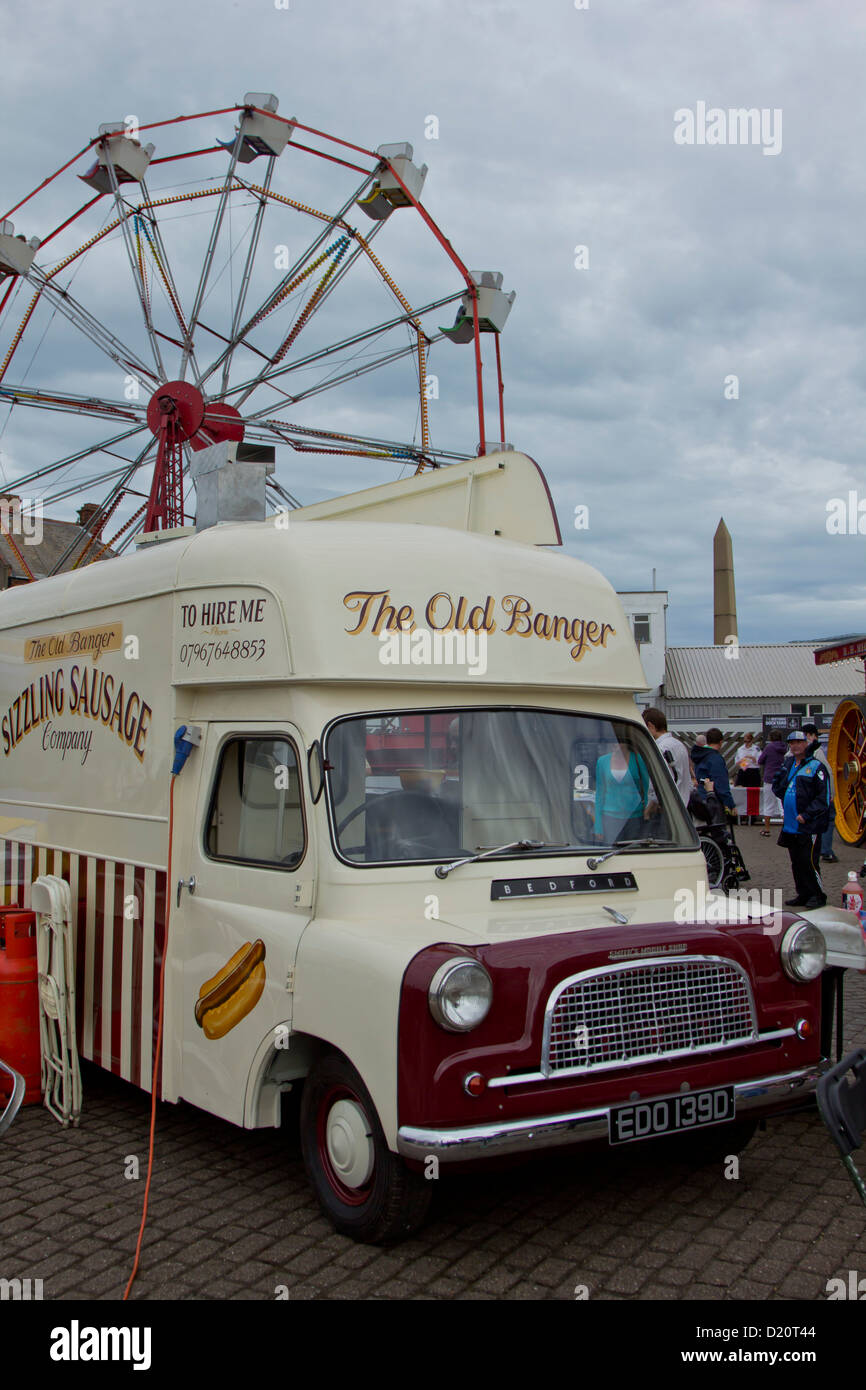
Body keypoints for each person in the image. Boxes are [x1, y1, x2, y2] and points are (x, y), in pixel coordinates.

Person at [772, 730, 832, 908]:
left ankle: (818, 895)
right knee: (796, 863)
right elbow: (779, 785)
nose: (795, 745)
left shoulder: (816, 766)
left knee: (810, 862)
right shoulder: (788, 763)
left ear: (806, 744)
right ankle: (803, 894)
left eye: (799, 742)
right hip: (791, 825)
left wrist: (806, 815)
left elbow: (823, 797)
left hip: (808, 825)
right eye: (792, 743)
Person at [594, 740, 650, 843]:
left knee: (633, 853)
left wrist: (647, 808)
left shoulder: (638, 759)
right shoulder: (602, 761)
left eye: (619, 741)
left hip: (635, 818)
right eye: (613, 740)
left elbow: (647, 787)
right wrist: (598, 825)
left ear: (626, 742)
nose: (615, 743)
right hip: (610, 818)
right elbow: (599, 794)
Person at [801, 722, 838, 863]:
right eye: (815, 735)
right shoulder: (817, 751)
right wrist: (831, 794)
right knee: (828, 820)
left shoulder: (793, 752)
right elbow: (827, 772)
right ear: (811, 735)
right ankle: (826, 851)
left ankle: (809, 849)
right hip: (820, 793)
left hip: (805, 793)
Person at [641, 708, 693, 807]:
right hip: (683, 805)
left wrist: (652, 805)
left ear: (650, 726)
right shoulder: (679, 745)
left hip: (666, 807)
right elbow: (688, 781)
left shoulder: (660, 749)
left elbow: (660, 783)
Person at [693, 728, 735, 814]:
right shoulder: (715, 759)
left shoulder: (700, 756)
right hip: (713, 803)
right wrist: (730, 804)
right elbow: (720, 784)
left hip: (700, 799)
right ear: (721, 742)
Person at [757, 729, 786, 837]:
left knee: (768, 803)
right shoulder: (784, 747)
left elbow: (760, 761)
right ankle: (786, 828)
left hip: (769, 778)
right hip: (781, 778)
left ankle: (767, 829)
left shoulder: (769, 747)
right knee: (781, 804)